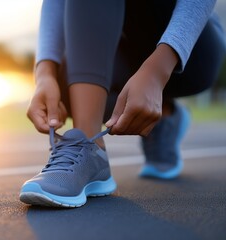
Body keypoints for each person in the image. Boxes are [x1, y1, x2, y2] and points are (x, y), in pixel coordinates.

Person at [19, 0, 226, 208]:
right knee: (63, 83)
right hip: (122, 47)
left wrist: (156, 72)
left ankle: (161, 111)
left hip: (192, 46)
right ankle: (92, 149)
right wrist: (44, 75)